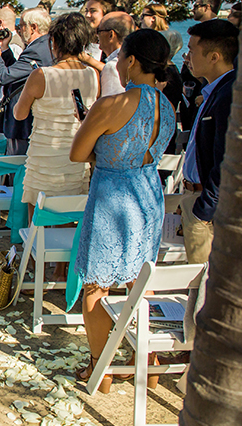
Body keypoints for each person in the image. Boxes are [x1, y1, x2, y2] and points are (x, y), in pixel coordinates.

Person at [70, 29, 176, 392]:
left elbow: (78, 153)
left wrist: (101, 147)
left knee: (96, 284)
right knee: (139, 279)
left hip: (113, 196)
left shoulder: (113, 104)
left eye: (119, 57)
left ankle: (101, 369)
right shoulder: (168, 105)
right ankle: (147, 359)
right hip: (148, 194)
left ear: (131, 60)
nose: (115, 62)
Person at [14, 12, 100, 206]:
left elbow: (20, 114)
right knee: (70, 216)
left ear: (54, 42)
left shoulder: (41, 75)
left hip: (44, 156)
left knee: (36, 221)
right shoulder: (93, 75)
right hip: (77, 156)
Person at [180, 19, 239, 265]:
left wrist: (204, 210)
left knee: (202, 286)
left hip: (206, 207)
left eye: (192, 50)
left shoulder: (228, 94)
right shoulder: (215, 89)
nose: (187, 56)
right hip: (194, 197)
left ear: (214, 56)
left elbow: (227, 158)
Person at [0, 7, 55, 155]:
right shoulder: (45, 45)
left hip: (23, 122)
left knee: (17, 169)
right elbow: (18, 72)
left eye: (22, 25)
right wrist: (4, 49)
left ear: (33, 28)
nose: (19, 29)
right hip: (31, 120)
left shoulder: (36, 50)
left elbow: (4, 77)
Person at [80, 11, 135, 97]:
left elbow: (111, 104)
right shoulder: (134, 60)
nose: (97, 35)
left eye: (99, 30)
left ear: (111, 35)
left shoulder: (113, 66)